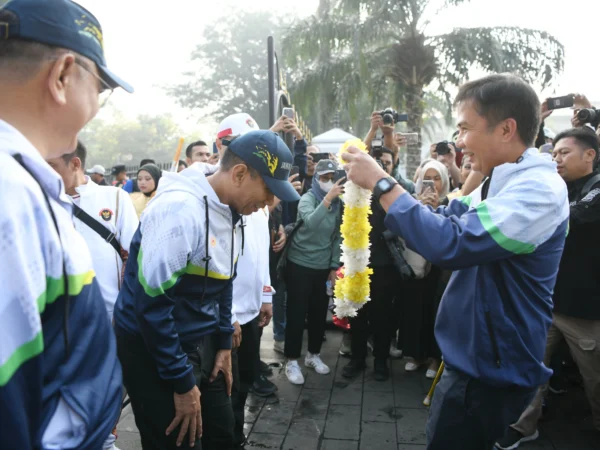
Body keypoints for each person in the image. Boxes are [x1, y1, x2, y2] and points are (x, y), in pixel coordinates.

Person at [342, 73, 569, 449]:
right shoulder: (503, 178)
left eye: (465, 128)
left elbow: (451, 242)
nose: (459, 142)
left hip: (491, 368)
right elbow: (450, 214)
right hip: (476, 357)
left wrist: (383, 183)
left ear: (506, 129)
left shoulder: (537, 191)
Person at [0, 0, 133, 448]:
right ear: (62, 76)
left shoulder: (24, 183)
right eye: (99, 87)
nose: (98, 104)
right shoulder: (10, 195)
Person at [113, 129, 299, 450]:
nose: (270, 203)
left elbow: (225, 277)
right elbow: (151, 308)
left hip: (201, 339)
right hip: (154, 347)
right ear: (239, 173)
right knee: (179, 441)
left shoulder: (233, 209)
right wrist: (182, 382)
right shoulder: (178, 212)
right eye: (268, 191)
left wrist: (223, 341)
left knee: (223, 434)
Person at [496, 127, 600, 449]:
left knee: (594, 379)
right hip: (544, 302)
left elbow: (577, 218)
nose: (556, 159)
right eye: (553, 154)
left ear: (590, 154)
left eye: (564, 153)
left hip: (584, 309)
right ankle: (523, 425)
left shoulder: (594, 190)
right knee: (530, 368)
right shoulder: (557, 188)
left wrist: (535, 211)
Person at [47, 141, 138, 321]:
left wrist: (125, 308)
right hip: (65, 315)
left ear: (75, 164)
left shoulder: (116, 197)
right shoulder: (45, 202)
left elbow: (135, 253)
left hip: (112, 311)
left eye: (51, 166)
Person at [342, 148, 405, 381]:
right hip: (357, 264)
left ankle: (380, 361)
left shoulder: (393, 191)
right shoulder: (353, 191)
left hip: (385, 266)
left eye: (386, 164)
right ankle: (357, 359)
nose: (382, 167)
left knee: (382, 317)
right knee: (357, 315)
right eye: (378, 163)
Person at [283, 159, 344, 385]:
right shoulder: (307, 198)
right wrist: (328, 198)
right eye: (325, 178)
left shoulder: (339, 204)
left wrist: (333, 266)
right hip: (299, 264)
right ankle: (291, 360)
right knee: (297, 314)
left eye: (332, 178)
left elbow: (337, 236)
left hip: (322, 267)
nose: (329, 182)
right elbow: (310, 223)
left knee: (319, 314)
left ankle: (313, 355)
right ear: (316, 179)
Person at [403, 160, 450, 379]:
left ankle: (434, 357)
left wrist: (436, 209)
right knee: (414, 309)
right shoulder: (412, 201)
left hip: (439, 269)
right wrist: (420, 208)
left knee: (436, 311)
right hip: (416, 267)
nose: (432, 183)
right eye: (427, 178)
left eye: (437, 178)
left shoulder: (452, 202)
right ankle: (415, 354)